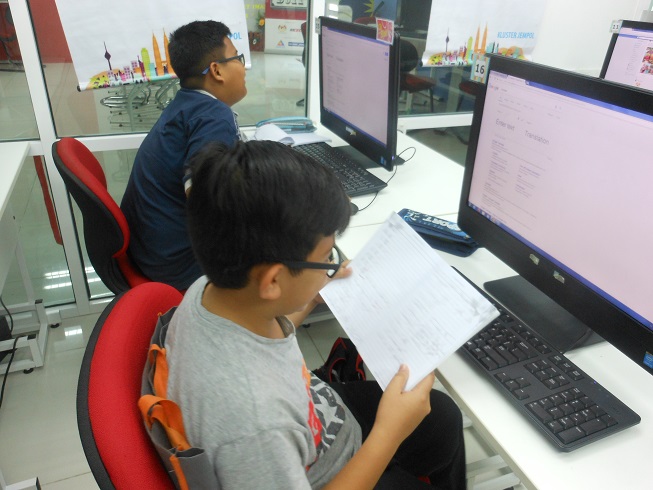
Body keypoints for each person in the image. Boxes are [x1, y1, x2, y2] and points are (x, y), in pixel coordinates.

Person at [161, 140, 466, 489]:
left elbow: (264, 343)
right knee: (420, 422)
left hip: (319, 418)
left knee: (442, 416)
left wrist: (311, 295)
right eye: (326, 258)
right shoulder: (254, 424)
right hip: (327, 473)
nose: (332, 266)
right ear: (273, 281)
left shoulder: (216, 287)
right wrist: (388, 433)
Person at [120, 20, 247, 290]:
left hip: (149, 250)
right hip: (179, 265)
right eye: (237, 58)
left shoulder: (186, 103)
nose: (243, 67)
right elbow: (205, 196)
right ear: (217, 70)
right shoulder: (214, 115)